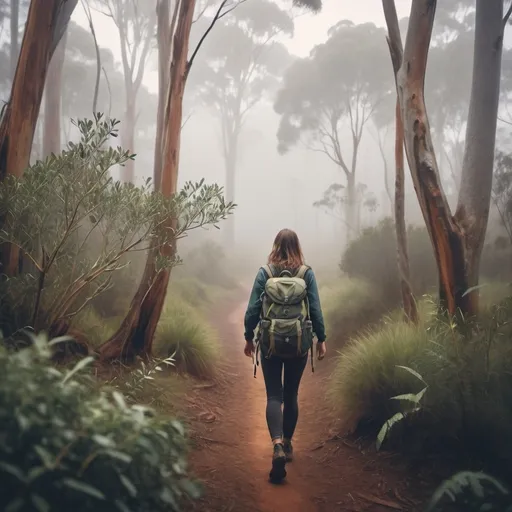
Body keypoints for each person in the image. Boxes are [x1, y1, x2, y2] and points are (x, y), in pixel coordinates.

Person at [243, 228, 326, 484]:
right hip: (299, 344)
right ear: (297, 247)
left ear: (275, 245)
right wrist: (321, 339)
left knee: (274, 395)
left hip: (270, 343)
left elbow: (253, 308)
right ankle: (288, 443)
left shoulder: (265, 273)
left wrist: (249, 336)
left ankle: (276, 444)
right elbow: (314, 309)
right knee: (290, 395)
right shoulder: (306, 273)